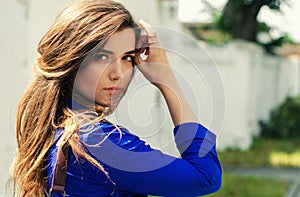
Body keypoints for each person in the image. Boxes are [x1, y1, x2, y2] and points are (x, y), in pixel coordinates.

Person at [10, 0, 222, 196]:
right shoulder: (98, 141)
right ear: (72, 59)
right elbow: (206, 176)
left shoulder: (56, 127)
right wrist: (166, 79)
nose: (118, 73)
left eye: (127, 57)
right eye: (102, 57)